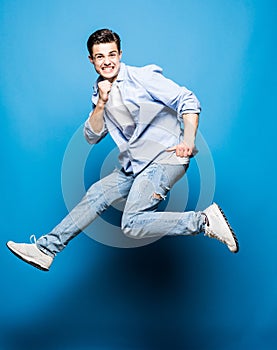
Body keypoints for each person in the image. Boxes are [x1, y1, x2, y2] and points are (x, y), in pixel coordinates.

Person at [6, 29, 239, 271]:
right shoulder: (100, 91)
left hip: (164, 158)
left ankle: (203, 221)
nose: (107, 61)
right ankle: (46, 250)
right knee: (96, 194)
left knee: (133, 223)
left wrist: (188, 140)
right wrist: (102, 103)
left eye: (112, 54)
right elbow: (91, 136)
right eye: (99, 57)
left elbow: (187, 100)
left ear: (120, 54)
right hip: (134, 166)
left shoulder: (142, 78)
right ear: (91, 60)